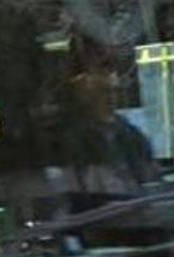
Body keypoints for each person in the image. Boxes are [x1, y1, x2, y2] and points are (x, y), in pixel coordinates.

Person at [63, 64, 160, 193]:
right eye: (103, 91)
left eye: (115, 91)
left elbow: (149, 171)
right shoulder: (74, 136)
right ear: (86, 96)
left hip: (134, 200)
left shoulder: (130, 132)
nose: (111, 97)